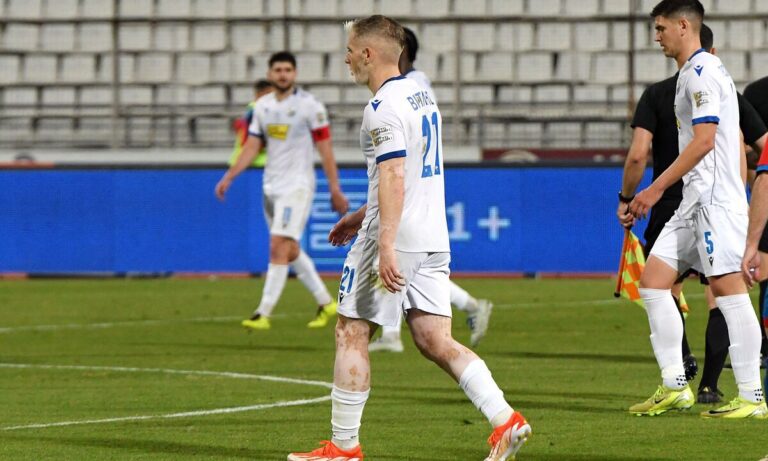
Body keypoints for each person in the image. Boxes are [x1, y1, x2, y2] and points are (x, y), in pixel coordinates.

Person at [288, 15, 530, 461]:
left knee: (351, 330)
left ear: (367, 54)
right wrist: (361, 215)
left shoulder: (381, 107)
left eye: (349, 50)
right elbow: (407, 175)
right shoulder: (420, 96)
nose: (345, 59)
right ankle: (506, 420)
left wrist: (383, 244)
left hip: (397, 236)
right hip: (432, 235)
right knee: (434, 339)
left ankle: (343, 447)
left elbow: (396, 174)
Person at [627, 0, 765, 418]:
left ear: (683, 26)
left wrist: (654, 189)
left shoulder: (702, 72)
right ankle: (675, 385)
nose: (657, 37)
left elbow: (705, 141)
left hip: (714, 202)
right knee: (653, 282)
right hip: (693, 201)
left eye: (661, 28)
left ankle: (752, 396)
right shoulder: (693, 72)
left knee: (727, 290)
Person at [368, 26, 493, 353]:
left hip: (411, 180)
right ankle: (470, 306)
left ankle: (391, 335)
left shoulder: (407, 86)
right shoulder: (417, 85)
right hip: (418, 179)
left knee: (395, 257)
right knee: (412, 268)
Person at [215, 52, 350, 330]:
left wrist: (334, 188)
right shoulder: (262, 107)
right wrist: (230, 175)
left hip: (297, 186)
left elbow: (325, 148)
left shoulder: (309, 106)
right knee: (290, 249)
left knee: (278, 245)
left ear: (295, 74)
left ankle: (262, 313)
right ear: (270, 74)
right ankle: (326, 302)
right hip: (271, 185)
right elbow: (252, 145)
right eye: (278, 70)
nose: (283, 74)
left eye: (288, 70)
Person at [229, 79, 274, 168]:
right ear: (259, 94)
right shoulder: (257, 112)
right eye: (270, 94)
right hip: (256, 163)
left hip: (246, 162)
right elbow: (252, 142)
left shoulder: (251, 111)